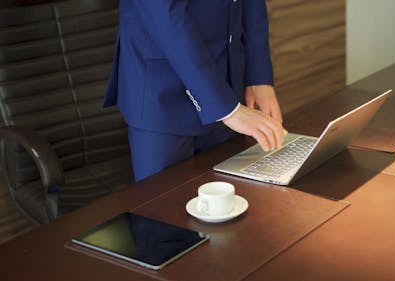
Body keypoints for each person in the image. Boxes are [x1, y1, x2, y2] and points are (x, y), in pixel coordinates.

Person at [103, 0, 285, 181]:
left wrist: (258, 76)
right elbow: (165, 16)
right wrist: (227, 109)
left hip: (229, 83)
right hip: (163, 97)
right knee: (163, 206)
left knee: (234, 201)